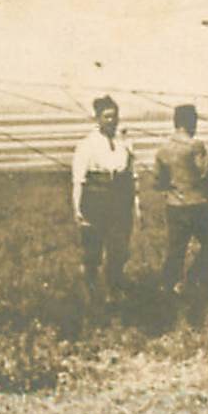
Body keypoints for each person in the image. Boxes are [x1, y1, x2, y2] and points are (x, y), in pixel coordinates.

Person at [71, 95, 138, 304]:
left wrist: (136, 204)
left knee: (119, 249)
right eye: (107, 117)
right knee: (93, 251)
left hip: (119, 200)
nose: (112, 121)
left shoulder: (123, 144)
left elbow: (131, 175)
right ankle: (90, 294)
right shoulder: (87, 145)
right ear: (97, 118)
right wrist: (77, 209)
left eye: (114, 116)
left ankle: (114, 292)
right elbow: (78, 180)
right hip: (95, 200)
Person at [153, 103, 208, 296]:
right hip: (198, 206)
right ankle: (193, 279)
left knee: (176, 251)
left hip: (175, 207)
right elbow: (206, 174)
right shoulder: (195, 146)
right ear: (190, 121)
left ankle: (167, 290)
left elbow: (158, 182)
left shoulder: (163, 149)